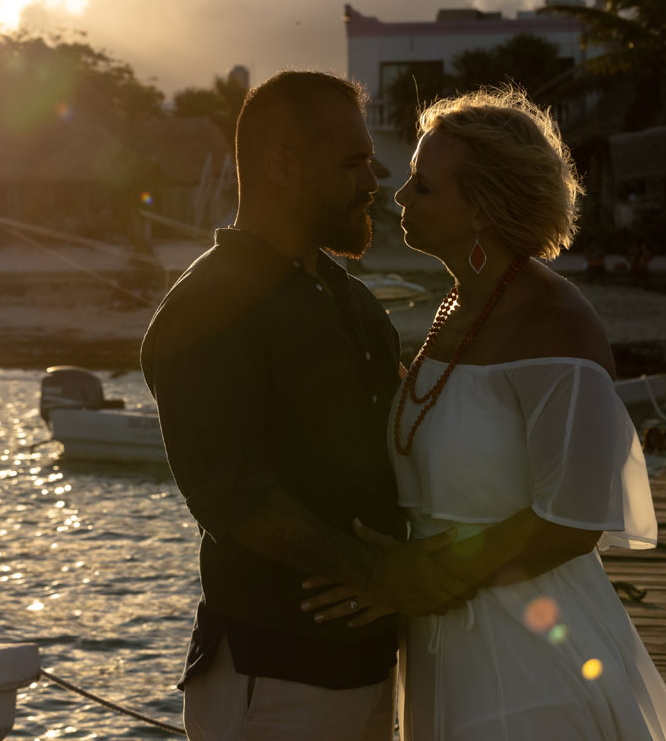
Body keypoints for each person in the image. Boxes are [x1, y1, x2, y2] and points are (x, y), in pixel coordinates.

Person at [303, 87, 666, 739]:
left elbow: (572, 518)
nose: (399, 199)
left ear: (482, 208)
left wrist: (424, 575)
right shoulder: (456, 308)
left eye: (423, 187)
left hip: (530, 658)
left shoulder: (554, 323)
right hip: (442, 641)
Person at [141, 70, 472, 741]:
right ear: (282, 166)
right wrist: (384, 572)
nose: (373, 183)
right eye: (353, 164)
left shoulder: (350, 300)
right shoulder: (209, 307)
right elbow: (233, 493)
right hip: (275, 677)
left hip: (372, 665)